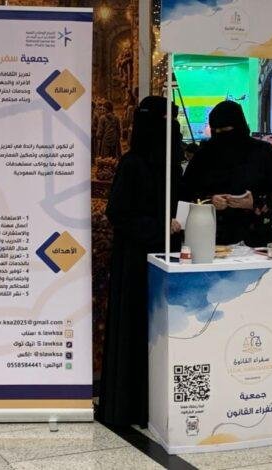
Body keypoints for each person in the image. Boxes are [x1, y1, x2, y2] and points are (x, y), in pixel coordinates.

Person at [99, 96, 183, 427]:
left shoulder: (172, 165)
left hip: (168, 258)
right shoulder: (132, 164)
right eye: (166, 123)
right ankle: (131, 405)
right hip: (135, 261)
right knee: (135, 329)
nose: (172, 130)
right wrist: (159, 228)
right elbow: (118, 213)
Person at [183, 101, 272, 247]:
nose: (220, 135)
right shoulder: (204, 155)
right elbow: (187, 191)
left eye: (225, 130)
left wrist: (254, 203)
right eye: (216, 131)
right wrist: (210, 201)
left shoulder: (262, 152)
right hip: (211, 238)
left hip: (257, 238)